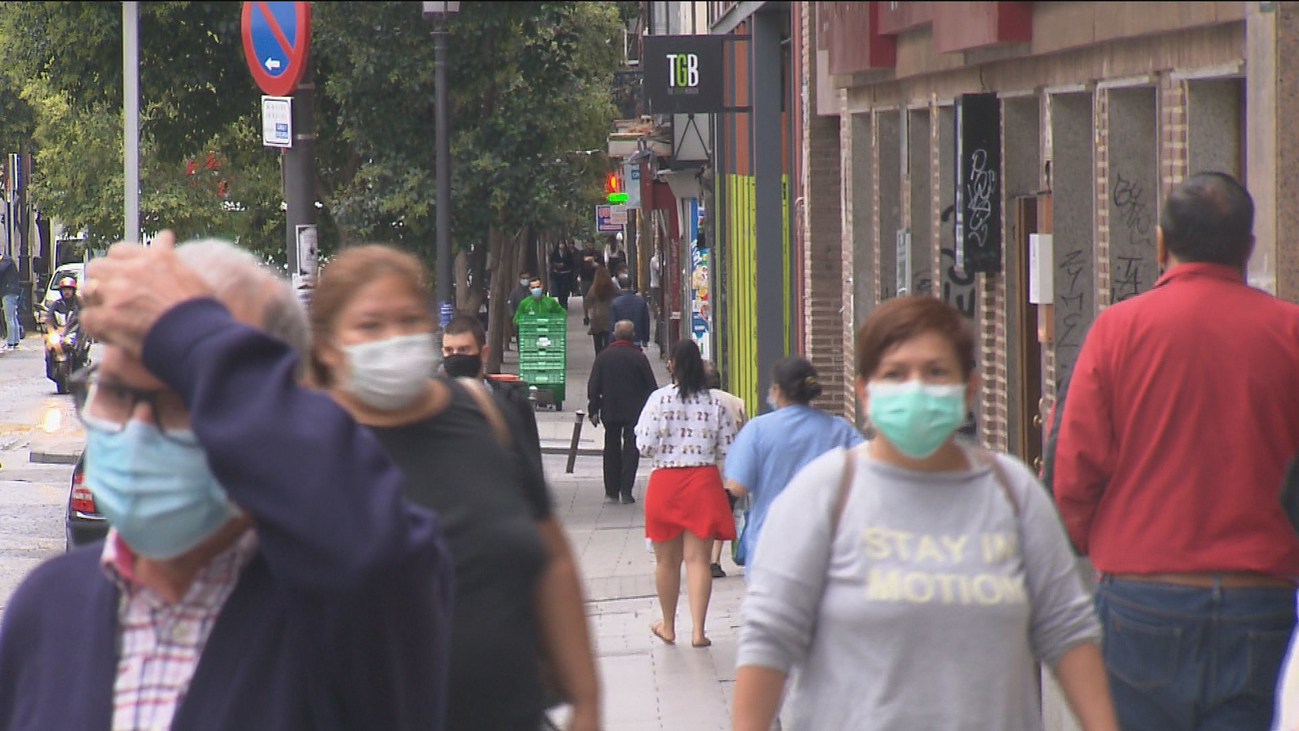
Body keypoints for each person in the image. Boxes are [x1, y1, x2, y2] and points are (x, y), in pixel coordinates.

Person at [0, 233, 456, 729]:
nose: (136, 428)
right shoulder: (49, 606)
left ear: (267, 412)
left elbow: (373, 550)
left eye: (181, 398)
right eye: (114, 390)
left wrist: (188, 328)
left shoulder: (340, 617)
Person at [732, 295, 1116, 731]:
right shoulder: (821, 497)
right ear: (865, 391)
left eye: (936, 372)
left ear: (968, 388)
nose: (915, 388)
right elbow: (767, 642)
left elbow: (1067, 630)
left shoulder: (1012, 494)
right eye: (895, 374)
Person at [309, 245, 601, 731]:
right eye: (369, 325)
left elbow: (552, 561)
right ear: (325, 346)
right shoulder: (304, 447)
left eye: (408, 319)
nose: (393, 338)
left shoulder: (487, 415)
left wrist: (587, 702)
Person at [1054, 172, 1299, 731]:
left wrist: (1094, 539)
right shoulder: (1290, 332)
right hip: (1262, 601)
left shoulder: (1117, 330)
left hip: (1143, 594)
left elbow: (1076, 465)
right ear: (1248, 247)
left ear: (1161, 244)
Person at [634, 339, 738, 648]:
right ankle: (698, 632)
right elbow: (728, 449)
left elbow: (644, 445)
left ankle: (668, 626)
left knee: (666, 562)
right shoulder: (715, 403)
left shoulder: (658, 400)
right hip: (703, 482)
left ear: (672, 364)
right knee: (698, 560)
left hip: (666, 482)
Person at [724, 356, 863, 572]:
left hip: (771, 547)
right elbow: (869, 469)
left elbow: (736, 486)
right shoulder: (839, 429)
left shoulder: (757, 430)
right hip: (827, 547)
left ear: (777, 390)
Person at [441, 313, 543, 476]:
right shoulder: (432, 406)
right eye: (449, 351)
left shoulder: (512, 404)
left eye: (464, 350)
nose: (456, 357)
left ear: (483, 353)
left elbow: (531, 465)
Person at [588, 320, 658, 505]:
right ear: (633, 335)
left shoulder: (604, 357)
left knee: (610, 447)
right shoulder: (639, 358)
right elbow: (651, 387)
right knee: (630, 449)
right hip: (634, 411)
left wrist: (593, 409)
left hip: (610, 409)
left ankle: (611, 491)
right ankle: (626, 491)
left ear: (614, 334)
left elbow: (594, 385)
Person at [704, 359, 747, 578]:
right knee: (724, 513)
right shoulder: (736, 402)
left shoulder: (698, 402)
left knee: (704, 515)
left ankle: (701, 557)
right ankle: (714, 559)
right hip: (729, 471)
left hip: (704, 470)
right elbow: (743, 434)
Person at [608, 271, 650, 347]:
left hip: (619, 341)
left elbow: (612, 324)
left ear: (619, 285)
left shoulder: (614, 303)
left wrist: (611, 341)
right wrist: (645, 339)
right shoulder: (641, 301)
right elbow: (645, 321)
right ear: (631, 285)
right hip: (636, 338)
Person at [586, 267, 615, 355]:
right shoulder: (612, 288)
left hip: (596, 317)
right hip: (608, 316)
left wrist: (586, 315)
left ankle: (599, 359)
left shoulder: (593, 288)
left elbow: (587, 302)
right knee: (608, 342)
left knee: (597, 343)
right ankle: (607, 358)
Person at [505, 270, 532, 351]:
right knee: (520, 340)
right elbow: (510, 305)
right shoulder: (515, 292)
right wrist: (513, 317)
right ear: (520, 279)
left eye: (527, 278)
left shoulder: (532, 291)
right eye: (523, 278)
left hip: (532, 320)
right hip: (520, 321)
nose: (525, 280)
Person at [0, 250, 20, 350]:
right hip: (13, 291)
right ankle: (15, 340)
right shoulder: (8, 261)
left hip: (8, 292)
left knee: (9, 318)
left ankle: (11, 343)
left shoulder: (5, 261)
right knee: (13, 316)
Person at [549, 243, 575, 310]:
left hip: (566, 274)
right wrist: (556, 264)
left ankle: (565, 303)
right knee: (559, 290)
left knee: (565, 290)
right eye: (560, 243)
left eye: (562, 243)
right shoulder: (555, 253)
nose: (561, 245)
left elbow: (571, 262)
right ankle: (561, 304)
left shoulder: (568, 253)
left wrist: (564, 264)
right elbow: (551, 261)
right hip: (557, 274)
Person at [649, 249, 662, 346]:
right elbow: (659, 268)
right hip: (656, 286)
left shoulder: (656, 259)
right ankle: (658, 336)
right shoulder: (654, 260)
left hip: (658, 286)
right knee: (658, 310)